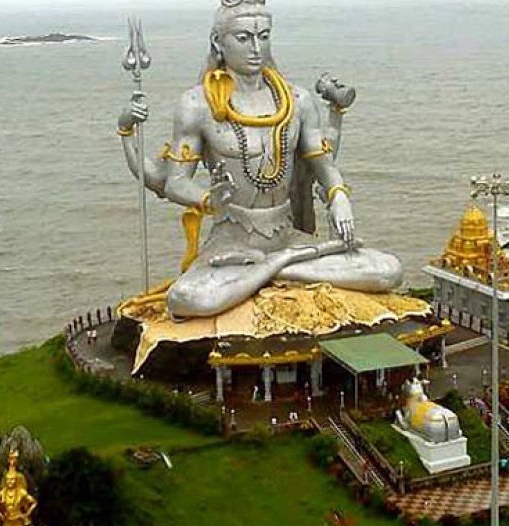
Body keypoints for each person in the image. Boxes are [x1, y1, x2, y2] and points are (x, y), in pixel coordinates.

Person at [117, 0, 402, 318]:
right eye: (243, 38)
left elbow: (324, 165)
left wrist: (339, 197)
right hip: (232, 242)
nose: (256, 48)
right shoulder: (197, 104)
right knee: (188, 298)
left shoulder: (297, 100)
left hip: (287, 236)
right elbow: (175, 182)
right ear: (218, 42)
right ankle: (284, 267)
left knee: (387, 270)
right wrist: (209, 199)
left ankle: (275, 267)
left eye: (263, 36)